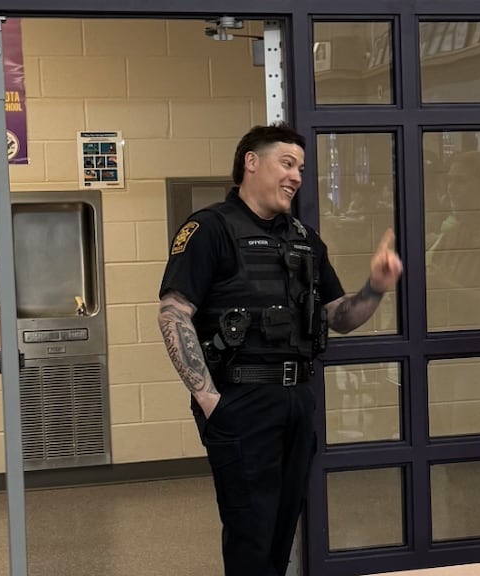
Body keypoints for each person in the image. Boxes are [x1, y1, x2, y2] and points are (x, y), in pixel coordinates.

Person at [157, 123, 402, 576]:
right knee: (251, 537)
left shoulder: (304, 238)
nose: (296, 176)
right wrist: (210, 399)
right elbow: (173, 313)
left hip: (295, 401)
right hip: (241, 401)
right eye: (286, 164)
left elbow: (339, 316)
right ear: (251, 162)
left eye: (302, 168)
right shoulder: (210, 228)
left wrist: (375, 288)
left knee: (281, 534)